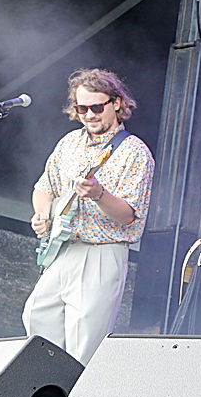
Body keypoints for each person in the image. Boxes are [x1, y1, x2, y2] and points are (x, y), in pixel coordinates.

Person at [23, 68, 154, 364]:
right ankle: (46, 391)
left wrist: (98, 194)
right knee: (36, 315)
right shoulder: (68, 143)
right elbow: (44, 187)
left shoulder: (134, 152)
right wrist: (42, 214)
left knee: (83, 342)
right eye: (82, 108)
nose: (89, 114)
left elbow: (129, 216)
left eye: (97, 107)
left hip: (102, 253)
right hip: (64, 249)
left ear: (117, 103)